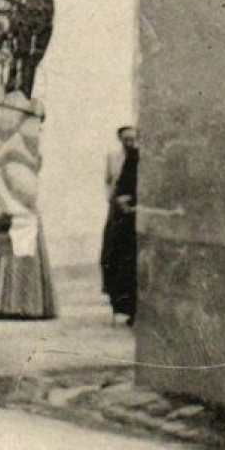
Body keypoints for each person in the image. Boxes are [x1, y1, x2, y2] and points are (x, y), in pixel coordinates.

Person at [101, 125, 140, 325]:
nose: (130, 143)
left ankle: (132, 308)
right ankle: (118, 302)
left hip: (134, 213)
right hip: (117, 211)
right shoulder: (113, 157)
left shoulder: (139, 157)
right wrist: (115, 200)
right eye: (126, 139)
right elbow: (109, 182)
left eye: (133, 139)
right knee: (111, 254)